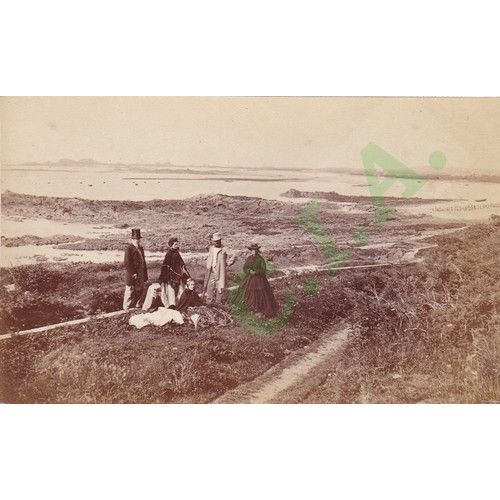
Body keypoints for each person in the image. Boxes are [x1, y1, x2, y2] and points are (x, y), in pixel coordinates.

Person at [234, 243, 279, 318]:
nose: (254, 251)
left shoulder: (260, 259)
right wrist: (249, 271)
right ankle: (250, 308)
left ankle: (260, 309)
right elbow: (245, 267)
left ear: (257, 250)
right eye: (252, 250)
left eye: (255, 250)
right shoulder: (249, 258)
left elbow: (263, 269)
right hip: (250, 278)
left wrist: (256, 272)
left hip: (259, 279)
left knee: (261, 293)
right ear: (251, 250)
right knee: (246, 291)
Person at [202, 232, 237, 305]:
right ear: (212, 242)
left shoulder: (224, 249)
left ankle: (219, 304)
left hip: (220, 271)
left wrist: (228, 263)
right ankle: (209, 304)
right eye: (215, 241)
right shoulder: (211, 249)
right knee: (210, 287)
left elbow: (234, 255)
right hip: (211, 271)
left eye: (219, 241)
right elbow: (210, 256)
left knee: (220, 287)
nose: (217, 242)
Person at [158, 237, 190, 308]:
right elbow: (165, 265)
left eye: (177, 244)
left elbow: (181, 263)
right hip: (171, 275)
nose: (177, 245)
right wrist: (164, 276)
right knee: (172, 288)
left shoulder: (176, 253)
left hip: (178, 273)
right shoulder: (169, 254)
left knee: (179, 287)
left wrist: (184, 271)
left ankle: (180, 302)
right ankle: (172, 304)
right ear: (171, 245)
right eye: (175, 244)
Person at [123, 228, 148, 310]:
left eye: (138, 239)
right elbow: (127, 263)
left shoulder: (140, 248)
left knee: (140, 288)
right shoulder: (129, 249)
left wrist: (144, 273)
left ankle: (138, 305)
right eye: (135, 239)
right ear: (132, 240)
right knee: (130, 289)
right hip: (132, 273)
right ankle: (126, 306)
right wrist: (133, 273)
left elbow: (143, 261)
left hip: (140, 272)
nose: (137, 240)